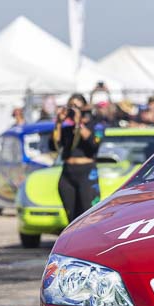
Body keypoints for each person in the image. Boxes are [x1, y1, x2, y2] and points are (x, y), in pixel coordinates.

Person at [50, 93, 99, 223]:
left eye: (77, 107)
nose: (73, 110)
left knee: (88, 215)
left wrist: (79, 123)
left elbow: (93, 144)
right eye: (71, 106)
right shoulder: (66, 129)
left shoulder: (93, 125)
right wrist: (59, 122)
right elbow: (54, 145)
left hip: (86, 173)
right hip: (68, 173)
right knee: (71, 218)